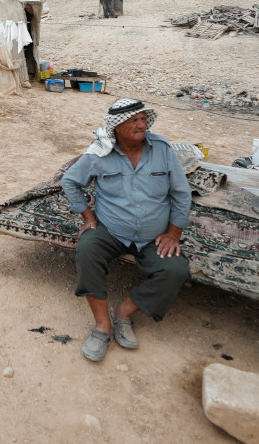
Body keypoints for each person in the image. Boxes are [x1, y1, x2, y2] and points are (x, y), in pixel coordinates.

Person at [61, 98, 192, 362]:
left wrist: (173, 233)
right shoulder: (99, 153)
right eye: (134, 120)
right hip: (113, 229)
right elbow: (70, 181)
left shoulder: (163, 150)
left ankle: (122, 314)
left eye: (144, 119)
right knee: (87, 249)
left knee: (176, 270)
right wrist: (87, 215)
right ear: (117, 128)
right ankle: (102, 326)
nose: (142, 125)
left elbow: (181, 194)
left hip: (153, 235)